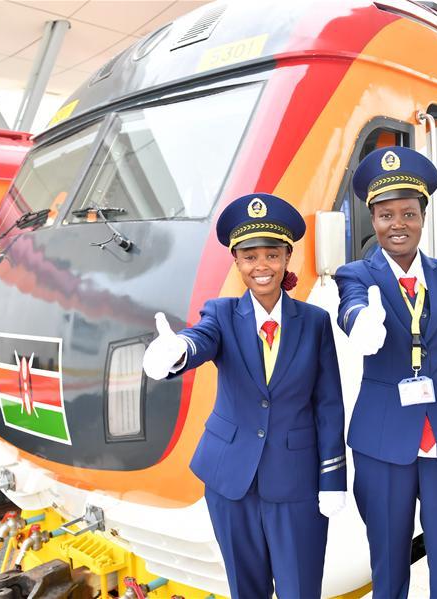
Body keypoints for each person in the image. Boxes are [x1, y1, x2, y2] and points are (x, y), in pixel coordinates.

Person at [143, 193, 347, 599]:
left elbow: (328, 404)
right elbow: (200, 340)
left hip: (296, 482)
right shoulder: (220, 314)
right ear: (237, 262)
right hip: (229, 481)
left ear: (287, 258)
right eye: (250, 256)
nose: (261, 266)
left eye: (271, 255)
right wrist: (177, 352)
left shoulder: (314, 322)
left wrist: (332, 477)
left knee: (301, 589)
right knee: (246, 590)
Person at [335, 146, 437, 598]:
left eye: (408, 213)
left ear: (422, 217)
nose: (397, 224)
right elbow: (351, 309)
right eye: (385, 215)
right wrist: (362, 323)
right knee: (388, 560)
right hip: (384, 442)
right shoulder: (355, 274)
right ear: (372, 220)